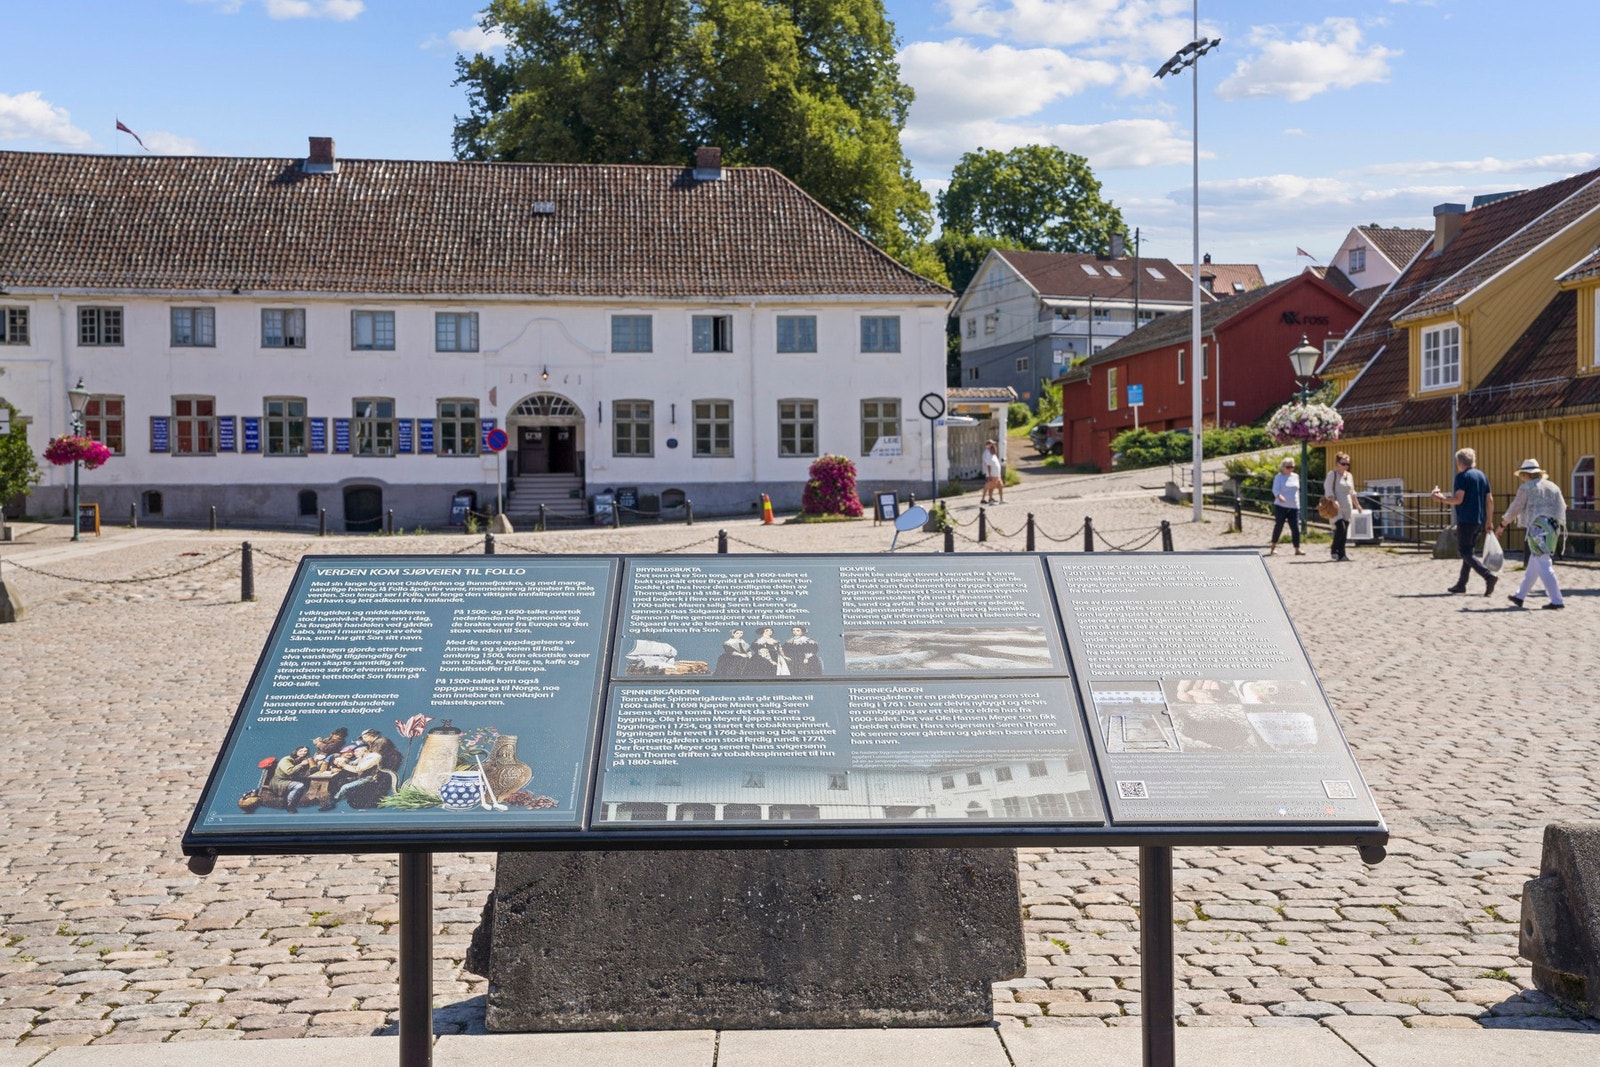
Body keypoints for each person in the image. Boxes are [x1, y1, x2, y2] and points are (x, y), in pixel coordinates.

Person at [1496, 458, 1565, 609]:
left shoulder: (1526, 488)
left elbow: (1516, 507)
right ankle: (1520, 596)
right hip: (1553, 527)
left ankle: (1557, 600)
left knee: (1543, 562)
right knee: (1535, 562)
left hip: (1537, 528)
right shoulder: (1553, 487)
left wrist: (1503, 524)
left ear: (1526, 474)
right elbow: (1562, 507)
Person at [1433, 447, 1496, 596]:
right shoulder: (1482, 476)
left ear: (1459, 462)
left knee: (1464, 551)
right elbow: (1490, 500)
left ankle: (1488, 575)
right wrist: (1489, 520)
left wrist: (1440, 498)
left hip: (1466, 518)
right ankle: (1461, 584)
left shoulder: (1462, 477)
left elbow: (1458, 499)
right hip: (1479, 519)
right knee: (1470, 551)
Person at [1322, 452, 1364, 562]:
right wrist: (1333, 500)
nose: (1346, 466)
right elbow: (1328, 489)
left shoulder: (1349, 476)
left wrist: (1357, 505)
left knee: (1344, 532)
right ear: (1337, 463)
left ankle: (1342, 554)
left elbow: (1352, 492)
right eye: (1343, 463)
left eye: (1347, 464)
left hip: (1347, 505)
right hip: (1336, 505)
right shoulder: (1332, 474)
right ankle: (1333, 549)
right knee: (1341, 528)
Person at [1268, 457, 1305, 556]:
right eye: (1288, 467)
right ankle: (1273, 547)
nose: (1290, 469)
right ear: (1283, 467)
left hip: (1294, 506)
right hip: (1281, 506)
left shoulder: (1295, 476)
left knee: (1295, 528)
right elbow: (1275, 489)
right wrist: (1279, 496)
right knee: (1279, 526)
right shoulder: (1279, 477)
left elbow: (1297, 490)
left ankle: (1297, 549)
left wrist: (1297, 502)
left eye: (1292, 467)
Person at [266, 746, 314, 813]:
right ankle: (290, 805)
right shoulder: (285, 760)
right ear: (296, 751)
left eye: (305, 751)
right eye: (301, 751)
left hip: (289, 780)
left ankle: (299, 802)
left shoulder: (299, 759)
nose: (303, 753)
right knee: (299, 785)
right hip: (279, 782)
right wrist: (301, 764)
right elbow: (290, 772)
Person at [981, 440, 1005, 504]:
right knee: (991, 487)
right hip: (992, 474)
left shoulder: (992, 453)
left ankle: (1001, 500)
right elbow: (988, 465)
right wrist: (989, 475)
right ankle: (990, 499)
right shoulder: (987, 453)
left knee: (1000, 486)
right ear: (988, 445)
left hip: (997, 474)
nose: (994, 446)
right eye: (992, 445)